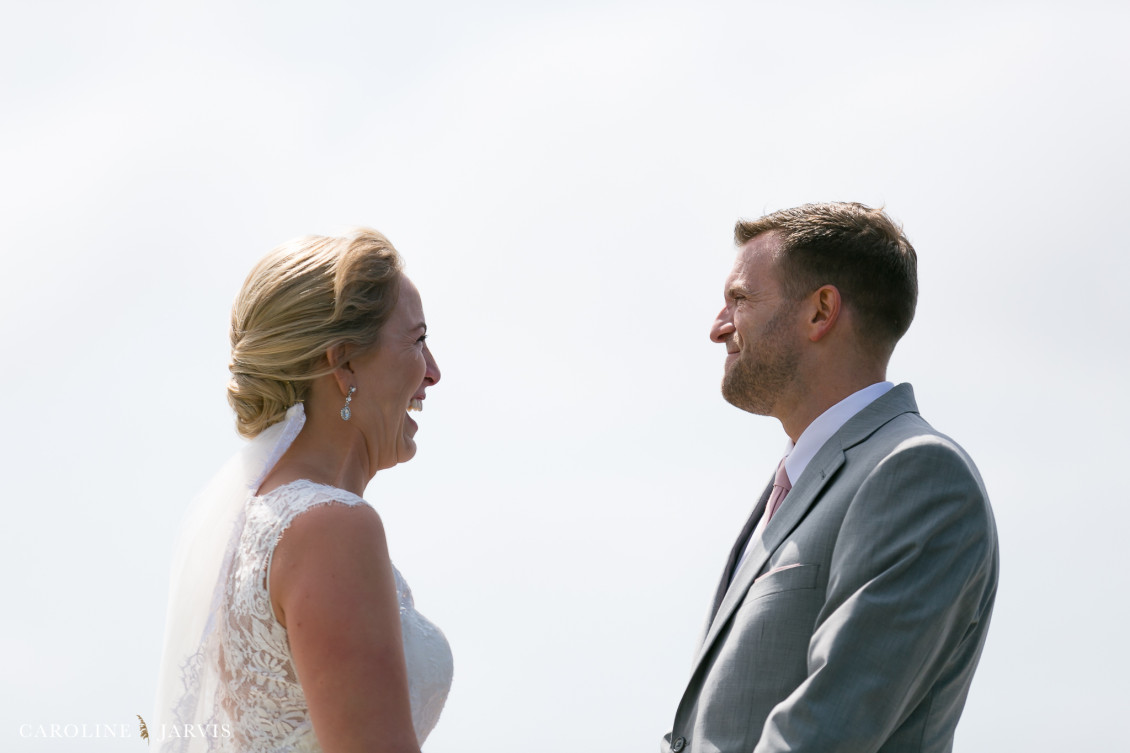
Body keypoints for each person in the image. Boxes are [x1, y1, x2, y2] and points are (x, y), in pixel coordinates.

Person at [662, 203, 998, 753]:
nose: (718, 327)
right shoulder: (800, 483)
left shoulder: (917, 474)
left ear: (821, 312)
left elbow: (824, 735)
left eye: (740, 299)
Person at [152, 228, 452, 753]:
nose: (433, 373)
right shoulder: (331, 529)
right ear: (343, 363)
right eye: (418, 340)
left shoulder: (249, 529)